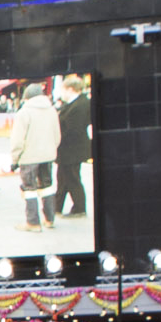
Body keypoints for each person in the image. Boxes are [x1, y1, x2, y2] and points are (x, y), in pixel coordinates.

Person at [5, 81, 62, 229]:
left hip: (29, 158)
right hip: (48, 156)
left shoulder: (24, 112)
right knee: (47, 187)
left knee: (29, 189)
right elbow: (57, 136)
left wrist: (15, 159)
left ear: (27, 97)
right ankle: (50, 219)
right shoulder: (52, 110)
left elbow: (18, 140)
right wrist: (50, 150)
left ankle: (32, 222)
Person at [52, 78, 93, 223]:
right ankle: (56, 207)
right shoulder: (73, 104)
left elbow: (72, 131)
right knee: (63, 179)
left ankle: (79, 208)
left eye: (63, 90)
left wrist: (57, 140)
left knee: (72, 179)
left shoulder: (81, 105)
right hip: (67, 151)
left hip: (72, 150)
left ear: (71, 89)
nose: (61, 93)